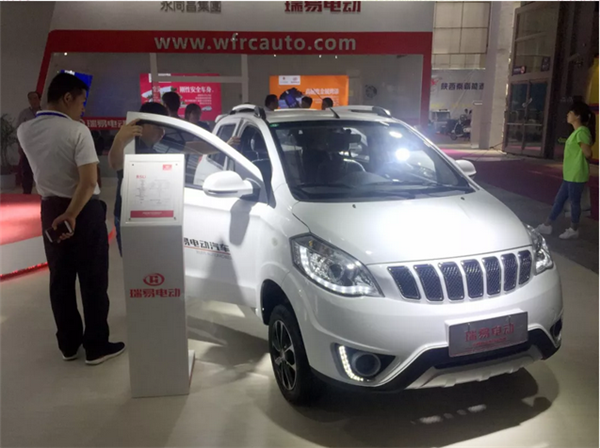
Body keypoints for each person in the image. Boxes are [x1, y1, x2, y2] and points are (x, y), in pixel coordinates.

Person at [17, 73, 124, 365]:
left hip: (50, 210)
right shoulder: (78, 131)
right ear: (67, 98)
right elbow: (88, 182)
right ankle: (96, 346)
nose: (83, 108)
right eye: (81, 101)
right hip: (82, 212)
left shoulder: (25, 130)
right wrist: (72, 215)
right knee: (93, 280)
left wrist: (63, 214)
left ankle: (68, 344)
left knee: (60, 279)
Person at [109, 102, 169, 255]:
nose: (162, 132)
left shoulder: (158, 149)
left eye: (164, 128)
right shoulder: (129, 144)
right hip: (128, 215)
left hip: (153, 214)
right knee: (133, 262)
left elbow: (191, 146)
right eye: (158, 127)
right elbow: (115, 164)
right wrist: (119, 139)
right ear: (142, 125)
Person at [536, 102, 595, 240]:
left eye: (570, 113)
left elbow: (588, 153)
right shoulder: (578, 132)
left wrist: (579, 157)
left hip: (576, 173)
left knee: (573, 202)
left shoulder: (582, 132)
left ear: (577, 116)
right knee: (560, 200)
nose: (568, 115)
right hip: (570, 173)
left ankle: (573, 228)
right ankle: (547, 225)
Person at [16, 91, 42, 194]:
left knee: (43, 170)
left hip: (42, 146)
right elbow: (18, 130)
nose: (33, 101)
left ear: (39, 99)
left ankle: (44, 192)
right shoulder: (24, 114)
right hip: (28, 146)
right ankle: (26, 193)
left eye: (35, 98)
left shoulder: (45, 112)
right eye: (30, 99)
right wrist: (19, 146)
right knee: (27, 171)